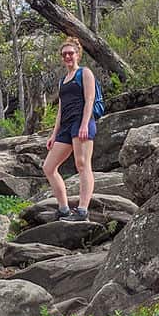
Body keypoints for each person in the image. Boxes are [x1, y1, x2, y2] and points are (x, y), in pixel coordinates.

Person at [42, 37, 97, 221]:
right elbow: (60, 109)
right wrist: (54, 134)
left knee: (82, 164)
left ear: (77, 54)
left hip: (81, 123)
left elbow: (89, 99)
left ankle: (82, 211)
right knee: (49, 167)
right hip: (65, 126)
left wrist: (84, 124)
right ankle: (64, 209)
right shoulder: (62, 81)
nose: (68, 56)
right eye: (64, 54)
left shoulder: (85, 73)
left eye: (71, 53)